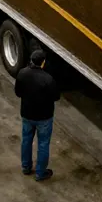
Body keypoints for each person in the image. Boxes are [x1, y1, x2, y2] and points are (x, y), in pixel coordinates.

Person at [15, 49, 59, 182]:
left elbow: (18, 92)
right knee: (43, 144)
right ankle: (40, 173)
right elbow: (56, 97)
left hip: (27, 114)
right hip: (44, 117)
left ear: (31, 60)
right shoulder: (48, 79)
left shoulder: (22, 73)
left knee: (26, 140)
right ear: (43, 62)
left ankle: (26, 167)